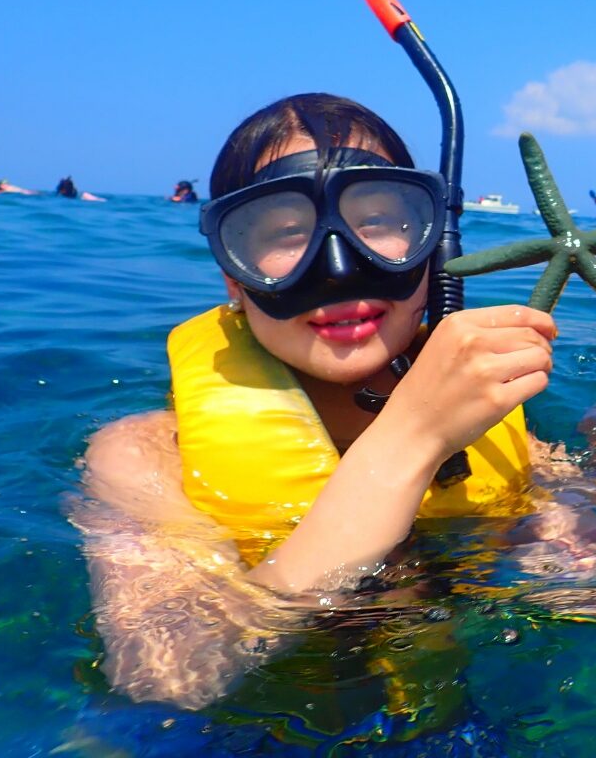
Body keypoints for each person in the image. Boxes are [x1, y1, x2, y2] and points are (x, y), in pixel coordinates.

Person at [76, 93, 563, 711]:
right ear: (233, 273)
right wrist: (408, 441)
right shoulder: (143, 459)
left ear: (432, 245)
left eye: (381, 220)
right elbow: (166, 678)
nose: (337, 267)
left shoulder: (498, 429)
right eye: (284, 232)